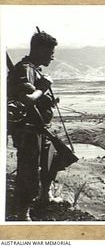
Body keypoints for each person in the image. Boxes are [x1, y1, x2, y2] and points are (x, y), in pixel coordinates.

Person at [7, 29, 59, 221]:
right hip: (27, 129)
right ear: (39, 49)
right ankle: (23, 212)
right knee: (28, 170)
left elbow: (35, 98)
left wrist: (47, 100)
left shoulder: (34, 70)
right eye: (50, 52)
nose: (52, 57)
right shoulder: (25, 69)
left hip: (38, 127)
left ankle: (46, 195)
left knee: (53, 155)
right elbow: (27, 99)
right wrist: (43, 88)